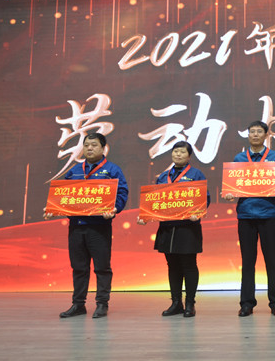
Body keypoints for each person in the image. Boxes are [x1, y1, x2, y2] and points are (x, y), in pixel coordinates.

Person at [44, 132, 129, 319]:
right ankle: (78, 304)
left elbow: (122, 193)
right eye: (86, 145)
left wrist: (114, 209)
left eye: (94, 145)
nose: (89, 148)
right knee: (79, 267)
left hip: (99, 227)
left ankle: (102, 304)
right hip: (76, 226)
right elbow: (64, 196)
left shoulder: (112, 170)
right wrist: (53, 208)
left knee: (102, 267)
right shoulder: (75, 171)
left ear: (103, 148)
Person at [223, 121, 275, 317]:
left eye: (259, 131)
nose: (255, 134)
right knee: (248, 261)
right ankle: (247, 303)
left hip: (269, 214)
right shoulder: (239, 158)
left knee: (272, 260)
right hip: (246, 215)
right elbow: (234, 185)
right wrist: (229, 193)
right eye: (252, 131)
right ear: (248, 135)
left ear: (266, 135)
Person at [137, 141, 210, 318]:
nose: (178, 154)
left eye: (182, 152)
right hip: (167, 228)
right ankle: (176, 303)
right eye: (175, 151)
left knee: (189, 265)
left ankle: (190, 303)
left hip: (188, 228)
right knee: (172, 266)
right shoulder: (163, 176)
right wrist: (145, 215)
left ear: (189, 156)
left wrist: (198, 212)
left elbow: (204, 198)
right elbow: (155, 201)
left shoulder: (196, 174)